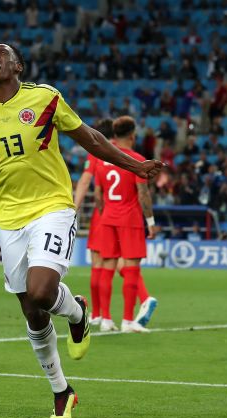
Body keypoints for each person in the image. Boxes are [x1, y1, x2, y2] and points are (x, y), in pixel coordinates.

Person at [0, 43, 163, 418]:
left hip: (52, 207)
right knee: (32, 311)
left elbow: (91, 139)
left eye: (1, 54)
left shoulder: (45, 97)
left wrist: (134, 164)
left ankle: (78, 312)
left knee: (41, 290)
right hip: (10, 219)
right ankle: (61, 391)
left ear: (18, 65)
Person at [93, 116, 158, 333]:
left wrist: (106, 214)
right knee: (131, 270)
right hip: (130, 220)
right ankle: (128, 321)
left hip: (108, 218)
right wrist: (150, 222)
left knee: (107, 268)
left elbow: (98, 196)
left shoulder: (101, 161)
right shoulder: (137, 160)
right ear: (132, 135)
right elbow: (143, 193)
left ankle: (105, 319)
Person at [73, 118, 113, 326]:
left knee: (98, 264)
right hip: (121, 215)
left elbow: (86, 180)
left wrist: (74, 208)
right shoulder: (124, 155)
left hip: (102, 214)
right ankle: (107, 317)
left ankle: (97, 314)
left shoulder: (96, 152)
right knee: (119, 265)